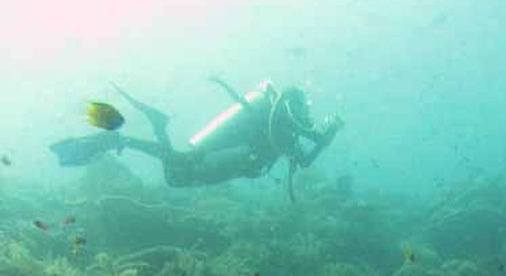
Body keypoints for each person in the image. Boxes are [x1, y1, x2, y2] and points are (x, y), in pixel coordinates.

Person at [50, 79, 343, 198]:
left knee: (179, 172)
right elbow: (303, 159)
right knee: (179, 174)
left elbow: (301, 159)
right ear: (294, 107)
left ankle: (140, 133)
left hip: (232, 157)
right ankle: (132, 135)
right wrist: (326, 135)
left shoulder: (280, 125)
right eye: (304, 109)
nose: (307, 115)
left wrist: (323, 137)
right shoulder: (281, 124)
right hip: (229, 155)